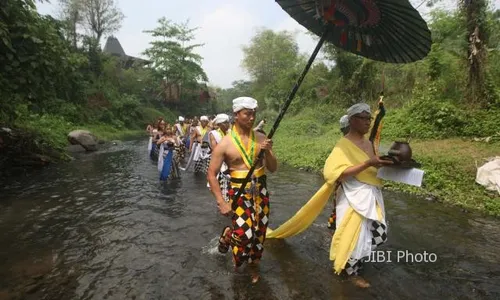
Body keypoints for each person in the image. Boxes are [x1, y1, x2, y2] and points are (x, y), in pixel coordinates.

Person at [265, 103, 393, 288]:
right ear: (352, 121)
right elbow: (335, 174)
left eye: (369, 119)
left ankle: (356, 262)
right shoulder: (342, 145)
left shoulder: (368, 143)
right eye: (364, 118)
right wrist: (367, 163)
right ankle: (350, 273)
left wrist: (383, 163)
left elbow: (372, 165)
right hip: (353, 196)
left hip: (371, 193)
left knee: (375, 234)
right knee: (352, 235)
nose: (368, 122)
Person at [207, 97, 278, 284]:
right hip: (238, 193)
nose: (252, 117)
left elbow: (273, 168)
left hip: (261, 192)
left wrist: (268, 152)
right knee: (244, 235)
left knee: (260, 231)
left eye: (254, 113)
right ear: (236, 115)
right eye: (247, 113)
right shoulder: (225, 144)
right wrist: (221, 202)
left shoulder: (262, 139)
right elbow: (211, 174)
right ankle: (233, 243)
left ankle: (254, 264)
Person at [327, 114, 350, 230]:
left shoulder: (348, 143)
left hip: (345, 184)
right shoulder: (344, 144)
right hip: (344, 184)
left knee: (340, 208)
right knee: (340, 208)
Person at [207, 113, 231, 202]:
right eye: (225, 123)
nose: (227, 124)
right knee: (222, 186)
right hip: (220, 163)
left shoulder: (231, 133)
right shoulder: (214, 134)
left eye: (228, 122)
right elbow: (215, 149)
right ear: (219, 124)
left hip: (230, 162)